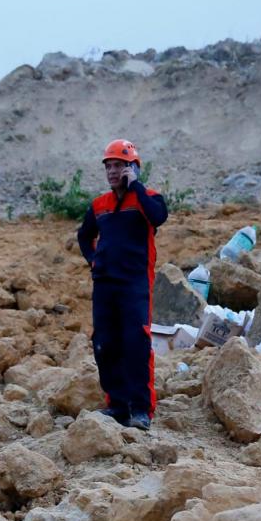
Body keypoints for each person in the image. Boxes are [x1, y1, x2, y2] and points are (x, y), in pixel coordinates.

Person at [76, 139, 168, 430]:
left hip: (135, 283)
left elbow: (159, 217)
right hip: (104, 284)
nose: (113, 171)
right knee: (105, 344)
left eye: (119, 165)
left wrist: (136, 186)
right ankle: (116, 405)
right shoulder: (99, 205)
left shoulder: (148, 198)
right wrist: (94, 260)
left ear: (132, 168)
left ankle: (141, 410)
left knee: (136, 342)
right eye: (109, 166)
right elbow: (83, 236)